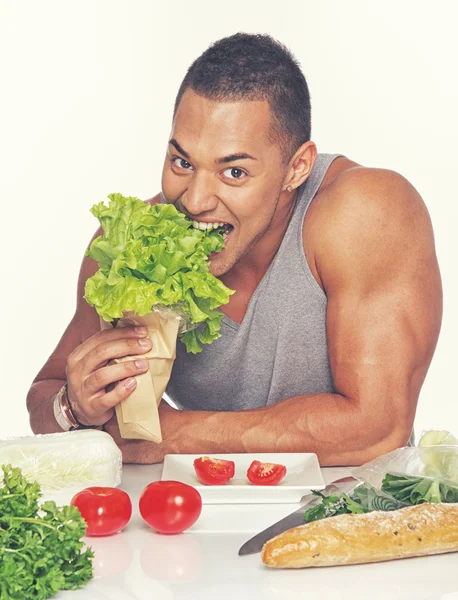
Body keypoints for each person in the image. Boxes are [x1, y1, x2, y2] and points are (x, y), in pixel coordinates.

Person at [26, 33, 442, 466]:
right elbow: (45, 397)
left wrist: (173, 436)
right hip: (190, 518)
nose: (194, 200)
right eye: (183, 162)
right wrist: (73, 407)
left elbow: (376, 429)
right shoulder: (135, 244)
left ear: (296, 167)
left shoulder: (366, 210)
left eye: (234, 171)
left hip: (349, 518)